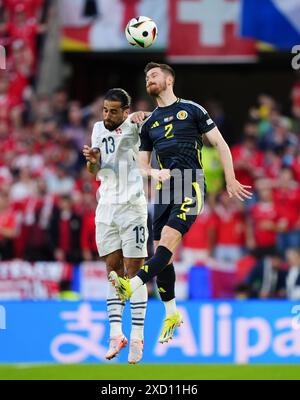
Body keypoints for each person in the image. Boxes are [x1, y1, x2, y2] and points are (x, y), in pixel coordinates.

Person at [109, 62, 252, 343]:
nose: (149, 79)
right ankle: (171, 312)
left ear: (169, 80)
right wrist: (152, 172)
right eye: (146, 76)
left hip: (190, 183)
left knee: (168, 240)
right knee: (164, 253)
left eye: (154, 75)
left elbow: (220, 144)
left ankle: (133, 284)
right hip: (162, 190)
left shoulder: (193, 110)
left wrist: (230, 178)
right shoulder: (148, 124)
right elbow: (141, 166)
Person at [82, 88, 149, 364]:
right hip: (106, 207)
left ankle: (137, 335)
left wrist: (143, 116)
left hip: (132, 207)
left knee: (134, 274)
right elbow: (94, 172)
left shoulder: (135, 126)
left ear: (125, 111)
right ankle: (115, 334)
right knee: (112, 271)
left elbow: (155, 122)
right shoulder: (98, 129)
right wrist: (93, 163)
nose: (107, 115)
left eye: (113, 111)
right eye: (105, 110)